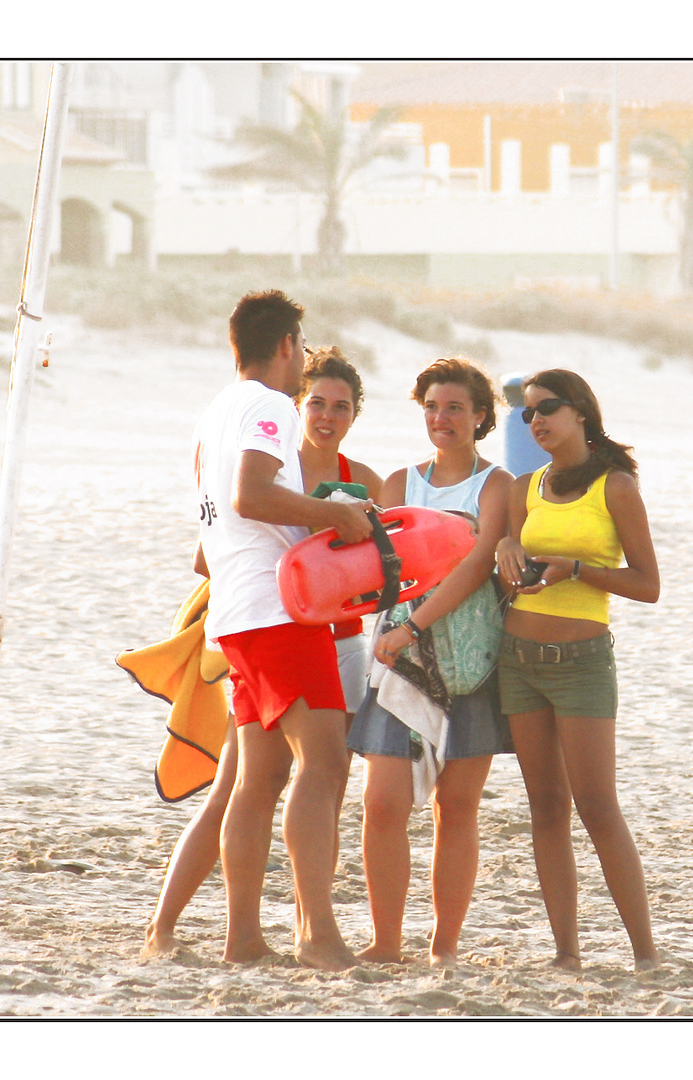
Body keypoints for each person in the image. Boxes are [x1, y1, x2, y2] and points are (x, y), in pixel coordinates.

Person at [144, 345, 382, 959]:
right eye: (318, 403)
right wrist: (325, 524)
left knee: (274, 780)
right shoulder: (273, 441)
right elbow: (232, 523)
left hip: (291, 631)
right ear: (297, 398)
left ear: (356, 414)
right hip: (277, 620)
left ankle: (254, 936)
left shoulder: (358, 475)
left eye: (341, 406)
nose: (327, 416)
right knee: (307, 772)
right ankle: (311, 936)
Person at [347, 357, 515, 969]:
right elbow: (378, 572)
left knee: (456, 807)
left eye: (455, 408)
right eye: (432, 407)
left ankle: (444, 947)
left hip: (470, 663)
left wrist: (417, 622)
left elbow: (476, 568)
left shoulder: (496, 486)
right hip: (400, 661)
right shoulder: (398, 483)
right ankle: (386, 942)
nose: (441, 419)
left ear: (479, 417)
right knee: (383, 804)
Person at [492, 369, 662, 972]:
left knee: (597, 805)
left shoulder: (615, 487)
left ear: (581, 412)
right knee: (545, 808)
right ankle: (566, 952)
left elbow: (649, 585)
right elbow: (511, 562)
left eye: (548, 409)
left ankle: (645, 953)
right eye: (528, 413)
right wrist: (504, 551)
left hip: (582, 663)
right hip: (519, 660)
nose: (535, 420)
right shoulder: (524, 487)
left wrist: (578, 569)